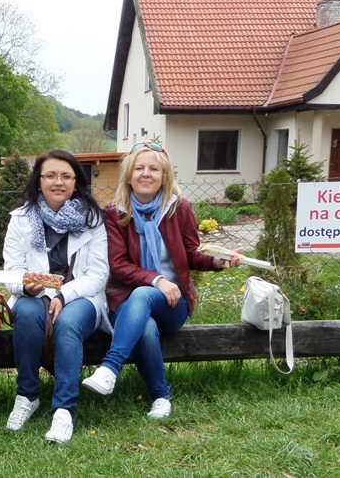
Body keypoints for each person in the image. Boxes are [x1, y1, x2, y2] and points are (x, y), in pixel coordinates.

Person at [82, 141, 240, 419]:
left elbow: (192, 254)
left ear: (164, 176)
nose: (146, 173)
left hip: (173, 302)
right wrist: (157, 280)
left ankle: (110, 368)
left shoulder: (180, 208)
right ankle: (160, 397)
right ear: (128, 176)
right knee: (145, 323)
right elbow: (118, 265)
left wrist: (216, 262)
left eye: (154, 169)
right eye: (139, 168)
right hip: (124, 301)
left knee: (143, 294)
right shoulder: (114, 212)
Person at [3, 150, 109, 444]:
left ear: (76, 182)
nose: (58, 182)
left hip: (81, 296)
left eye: (66, 176)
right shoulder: (21, 219)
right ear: (39, 181)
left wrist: (64, 294)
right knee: (26, 313)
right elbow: (12, 270)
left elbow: (98, 274)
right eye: (50, 175)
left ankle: (63, 410)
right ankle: (27, 396)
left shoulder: (92, 219)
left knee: (68, 323)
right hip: (35, 295)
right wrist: (27, 287)